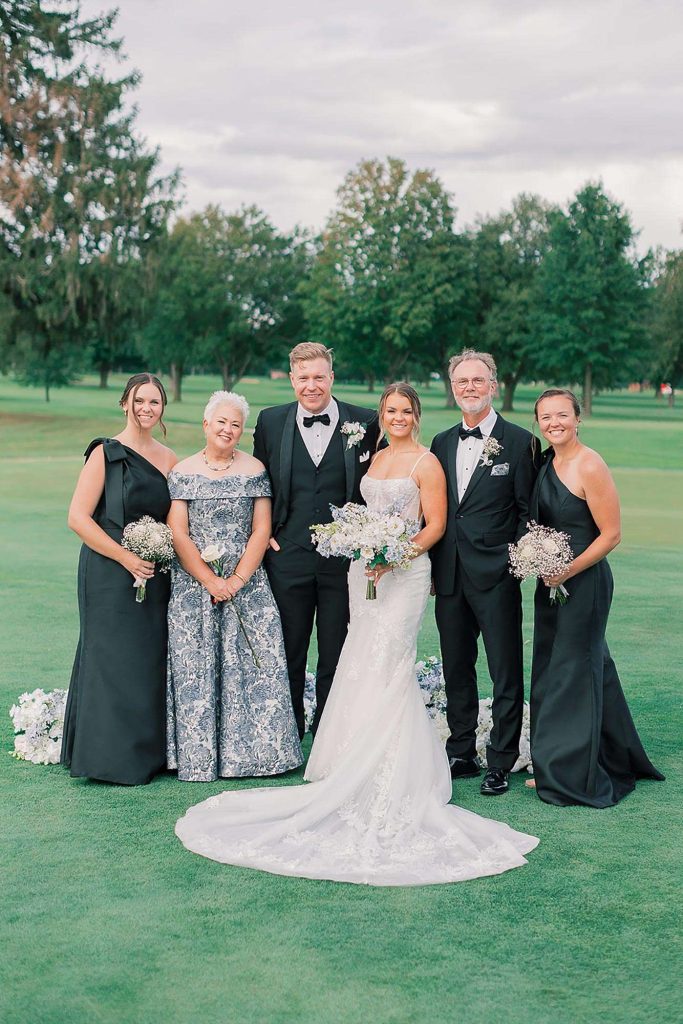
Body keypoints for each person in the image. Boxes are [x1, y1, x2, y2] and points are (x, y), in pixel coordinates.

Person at [175, 384, 539, 885]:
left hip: (403, 574)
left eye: (405, 410)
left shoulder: (428, 461)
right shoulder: (375, 456)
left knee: (391, 660)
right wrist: (359, 545)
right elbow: (356, 507)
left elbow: (434, 525)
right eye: (390, 410)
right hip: (362, 572)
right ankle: (349, 756)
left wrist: (394, 556)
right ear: (382, 415)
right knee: (359, 657)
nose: (397, 417)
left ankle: (394, 764)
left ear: (416, 415)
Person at [527, 389, 664, 807]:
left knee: (573, 669)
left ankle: (570, 771)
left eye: (562, 415)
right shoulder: (546, 463)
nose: (554, 423)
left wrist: (567, 570)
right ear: (538, 422)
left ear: (577, 418)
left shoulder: (590, 464)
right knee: (560, 664)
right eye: (546, 417)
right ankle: (606, 754)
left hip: (583, 583)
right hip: (551, 581)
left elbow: (611, 534)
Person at [166, 391, 303, 782]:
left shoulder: (255, 470)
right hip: (194, 589)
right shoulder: (183, 471)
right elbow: (178, 532)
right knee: (197, 668)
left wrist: (238, 579)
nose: (228, 429)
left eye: (236, 424)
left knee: (256, 666)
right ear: (206, 424)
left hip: (249, 585)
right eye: (221, 422)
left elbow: (261, 529)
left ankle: (261, 756)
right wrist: (209, 579)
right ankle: (200, 758)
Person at [252, 342, 380, 738]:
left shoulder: (366, 421)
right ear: (292, 379)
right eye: (304, 378)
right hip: (287, 554)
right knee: (287, 649)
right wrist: (263, 535)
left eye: (319, 377)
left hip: (343, 561)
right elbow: (258, 485)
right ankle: (287, 733)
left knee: (336, 651)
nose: (312, 385)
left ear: (332, 378)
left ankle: (329, 733)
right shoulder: (270, 421)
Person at [430, 350, 539, 796]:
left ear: (493, 385)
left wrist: (512, 563)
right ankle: (461, 751)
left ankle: (501, 759)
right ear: (453, 387)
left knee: (504, 670)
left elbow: (527, 512)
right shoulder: (440, 442)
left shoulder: (520, 442)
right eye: (462, 381)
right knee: (457, 667)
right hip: (449, 575)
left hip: (496, 576)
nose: (469, 387)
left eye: (477, 380)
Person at [61, 373, 177, 785]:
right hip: (108, 569)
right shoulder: (104, 453)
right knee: (110, 656)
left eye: (154, 402)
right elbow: (78, 518)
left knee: (147, 658)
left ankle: (147, 755)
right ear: (125, 403)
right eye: (139, 400)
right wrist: (126, 558)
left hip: (154, 569)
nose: (146, 408)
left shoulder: (170, 459)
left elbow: (177, 520)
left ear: (162, 409)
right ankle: (105, 758)